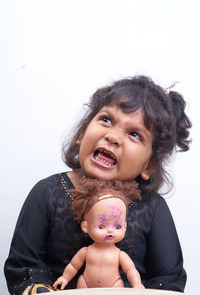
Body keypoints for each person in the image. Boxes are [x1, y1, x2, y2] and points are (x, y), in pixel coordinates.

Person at [4, 75, 191, 294]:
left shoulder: (152, 207)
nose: (112, 136)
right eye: (107, 120)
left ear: (148, 165)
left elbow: (169, 278)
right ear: (83, 133)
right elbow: (24, 267)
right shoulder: (47, 193)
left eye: (134, 134)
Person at [53, 177, 144, 290]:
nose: (110, 230)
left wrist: (137, 284)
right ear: (85, 227)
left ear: (125, 227)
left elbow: (131, 270)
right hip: (86, 284)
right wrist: (64, 278)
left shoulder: (119, 255)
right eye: (101, 226)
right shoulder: (86, 251)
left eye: (117, 226)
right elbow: (73, 266)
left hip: (113, 286)